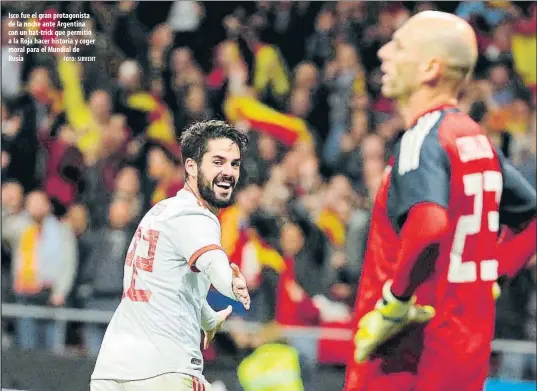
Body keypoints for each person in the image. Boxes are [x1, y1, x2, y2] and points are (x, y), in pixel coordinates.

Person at [343, 11, 536, 391]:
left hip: (405, 362)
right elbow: (531, 215)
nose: (383, 53)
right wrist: (495, 275)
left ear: (430, 68)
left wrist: (395, 303)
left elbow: (429, 226)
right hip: (463, 357)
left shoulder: (424, 138)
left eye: (398, 46)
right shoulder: (475, 140)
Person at [90, 120, 251, 391]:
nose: (228, 172)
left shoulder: (160, 212)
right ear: (191, 166)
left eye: (234, 164)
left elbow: (166, 284)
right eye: (218, 162)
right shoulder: (197, 216)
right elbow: (214, 262)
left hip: (112, 369)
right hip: (164, 369)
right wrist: (231, 285)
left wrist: (207, 316)